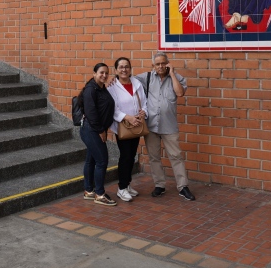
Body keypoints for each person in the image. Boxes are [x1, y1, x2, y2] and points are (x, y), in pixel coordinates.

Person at [135, 52, 195, 201]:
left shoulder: (177, 77)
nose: (161, 66)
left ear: (168, 63)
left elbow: (180, 93)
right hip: (151, 126)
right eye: (158, 64)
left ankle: (183, 187)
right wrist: (113, 81)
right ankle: (159, 185)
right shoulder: (146, 77)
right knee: (154, 157)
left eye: (163, 63)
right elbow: (127, 80)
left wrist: (172, 74)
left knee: (176, 156)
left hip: (169, 126)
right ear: (153, 66)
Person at [107, 57, 148, 203]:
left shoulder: (137, 83)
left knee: (131, 156)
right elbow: (113, 109)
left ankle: (127, 184)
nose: (124, 69)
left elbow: (144, 102)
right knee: (125, 157)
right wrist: (127, 117)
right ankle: (121, 188)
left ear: (130, 69)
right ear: (116, 70)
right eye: (121, 67)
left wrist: (143, 111)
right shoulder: (112, 87)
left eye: (127, 67)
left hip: (136, 125)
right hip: (123, 127)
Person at [80, 63, 117, 206]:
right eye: (101, 72)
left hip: (94, 129)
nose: (104, 75)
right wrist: (101, 130)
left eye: (106, 73)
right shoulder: (91, 90)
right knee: (102, 160)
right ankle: (100, 194)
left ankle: (89, 191)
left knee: (92, 160)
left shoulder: (100, 88)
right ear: (94, 73)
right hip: (92, 129)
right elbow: (91, 113)